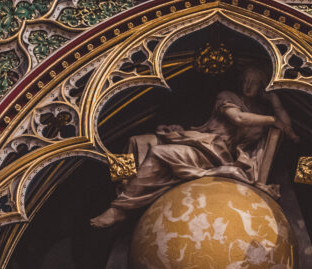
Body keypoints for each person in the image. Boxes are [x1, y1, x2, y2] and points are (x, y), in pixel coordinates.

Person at [90, 65, 296, 227]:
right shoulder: (228, 96)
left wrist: (275, 101)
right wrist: (271, 118)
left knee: (160, 153)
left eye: (254, 82)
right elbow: (238, 118)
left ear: (263, 86)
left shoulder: (261, 109)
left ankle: (120, 209)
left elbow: (289, 132)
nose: (247, 87)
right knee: (137, 141)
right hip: (204, 142)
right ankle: (124, 186)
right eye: (245, 81)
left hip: (217, 154)